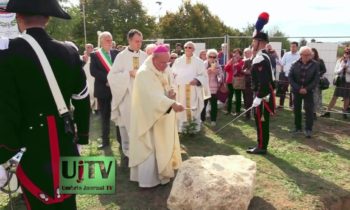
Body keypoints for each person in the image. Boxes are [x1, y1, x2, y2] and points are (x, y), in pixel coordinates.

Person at [0, 0, 90, 209]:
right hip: (66, 141)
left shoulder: (7, 53)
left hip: (30, 150)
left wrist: (5, 152)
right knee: (69, 202)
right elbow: (82, 98)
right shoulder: (69, 51)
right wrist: (82, 136)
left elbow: (5, 110)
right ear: (48, 19)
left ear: (18, 18)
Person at [129, 45, 184, 188]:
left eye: (167, 62)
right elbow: (151, 97)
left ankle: (163, 174)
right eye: (162, 62)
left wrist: (171, 94)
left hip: (161, 116)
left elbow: (167, 86)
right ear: (153, 58)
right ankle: (148, 180)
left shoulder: (163, 68)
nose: (165, 66)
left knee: (161, 145)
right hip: (148, 118)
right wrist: (171, 104)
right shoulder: (144, 73)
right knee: (150, 147)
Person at [108, 29, 147, 159]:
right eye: (137, 41)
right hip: (127, 97)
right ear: (129, 40)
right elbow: (112, 76)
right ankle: (128, 150)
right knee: (127, 124)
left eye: (141, 41)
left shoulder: (144, 56)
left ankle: (142, 148)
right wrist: (128, 74)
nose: (139, 44)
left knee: (141, 124)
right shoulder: (121, 56)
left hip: (142, 98)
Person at [246, 31, 276, 155]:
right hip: (262, 94)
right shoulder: (261, 56)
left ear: (261, 42)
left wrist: (258, 96)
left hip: (263, 96)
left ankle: (262, 147)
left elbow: (264, 81)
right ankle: (260, 144)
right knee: (259, 121)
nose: (252, 43)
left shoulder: (260, 58)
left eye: (254, 41)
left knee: (261, 121)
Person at [171, 41, 210, 133]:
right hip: (180, 90)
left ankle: (193, 128)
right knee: (181, 107)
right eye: (186, 47)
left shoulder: (199, 62)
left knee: (193, 107)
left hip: (193, 89)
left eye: (190, 47)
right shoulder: (178, 61)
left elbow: (204, 76)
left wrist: (197, 80)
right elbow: (172, 73)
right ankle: (182, 128)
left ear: (194, 49)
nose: (188, 49)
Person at [90, 31, 119, 149]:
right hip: (103, 89)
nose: (109, 42)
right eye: (107, 40)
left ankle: (121, 141)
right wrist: (107, 79)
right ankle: (105, 141)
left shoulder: (116, 53)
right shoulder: (95, 55)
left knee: (119, 115)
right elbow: (94, 71)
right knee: (105, 116)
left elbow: (120, 68)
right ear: (101, 41)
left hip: (117, 89)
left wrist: (114, 80)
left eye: (110, 39)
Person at [289, 46, 319, 138]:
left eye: (309, 55)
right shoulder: (294, 64)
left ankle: (308, 129)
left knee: (309, 110)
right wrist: (298, 88)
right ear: (301, 55)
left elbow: (316, 80)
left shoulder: (315, 65)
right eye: (305, 55)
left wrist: (306, 89)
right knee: (296, 109)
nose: (307, 56)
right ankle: (298, 127)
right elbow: (290, 78)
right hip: (297, 91)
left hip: (308, 91)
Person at [321, 47, 350, 119]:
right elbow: (335, 71)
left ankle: (344, 112)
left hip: (348, 81)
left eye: (349, 53)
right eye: (346, 53)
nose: (347, 54)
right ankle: (328, 111)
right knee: (335, 97)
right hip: (340, 81)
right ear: (344, 53)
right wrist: (342, 68)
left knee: (347, 97)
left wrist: (347, 70)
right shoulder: (339, 60)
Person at [200, 49, 223, 126]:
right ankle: (202, 120)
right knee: (203, 104)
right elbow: (199, 75)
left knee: (214, 105)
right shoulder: (203, 64)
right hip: (205, 88)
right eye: (210, 56)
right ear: (207, 57)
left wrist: (218, 74)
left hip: (214, 88)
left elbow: (221, 77)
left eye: (214, 56)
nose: (212, 58)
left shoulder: (218, 65)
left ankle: (213, 120)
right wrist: (207, 72)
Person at [278, 41, 300, 108]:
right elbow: (282, 63)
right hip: (285, 75)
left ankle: (292, 105)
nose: (292, 48)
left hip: (295, 76)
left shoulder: (299, 55)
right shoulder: (286, 54)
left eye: (294, 46)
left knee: (293, 91)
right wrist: (282, 72)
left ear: (297, 47)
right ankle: (281, 105)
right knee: (283, 90)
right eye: (291, 46)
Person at [224, 48, 245, 115]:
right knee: (229, 96)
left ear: (240, 55)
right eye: (234, 53)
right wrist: (230, 63)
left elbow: (240, 69)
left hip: (237, 81)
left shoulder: (242, 61)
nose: (235, 55)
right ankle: (228, 110)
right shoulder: (231, 60)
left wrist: (236, 63)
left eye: (237, 53)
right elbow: (226, 69)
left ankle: (237, 111)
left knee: (238, 96)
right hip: (230, 81)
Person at [311, 48, 327, 119]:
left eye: (313, 52)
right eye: (311, 52)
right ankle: (309, 112)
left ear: (315, 53)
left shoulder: (320, 60)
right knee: (309, 98)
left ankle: (314, 113)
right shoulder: (308, 60)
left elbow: (324, 70)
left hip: (317, 82)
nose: (312, 53)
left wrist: (318, 74)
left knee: (316, 97)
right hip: (308, 82)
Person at [242, 47, 254, 119]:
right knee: (247, 99)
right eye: (246, 53)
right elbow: (243, 70)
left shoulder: (258, 60)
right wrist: (247, 72)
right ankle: (247, 114)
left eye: (249, 52)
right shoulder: (246, 61)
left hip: (256, 84)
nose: (247, 54)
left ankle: (256, 114)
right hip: (248, 83)